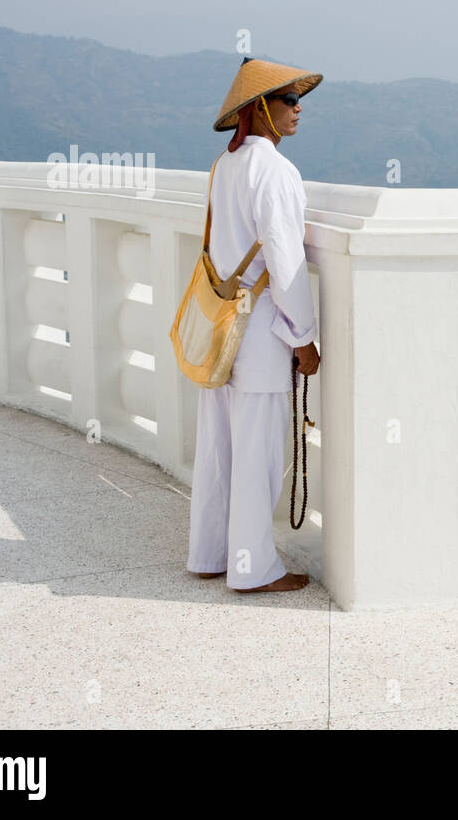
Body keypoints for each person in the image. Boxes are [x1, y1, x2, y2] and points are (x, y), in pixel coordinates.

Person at [186, 57, 322, 593]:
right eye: (289, 100)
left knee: (219, 446)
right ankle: (252, 570)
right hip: (261, 329)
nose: (298, 109)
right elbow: (286, 266)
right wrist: (304, 336)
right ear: (261, 108)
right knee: (259, 453)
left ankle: (208, 553)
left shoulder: (225, 165)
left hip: (221, 324)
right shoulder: (275, 172)